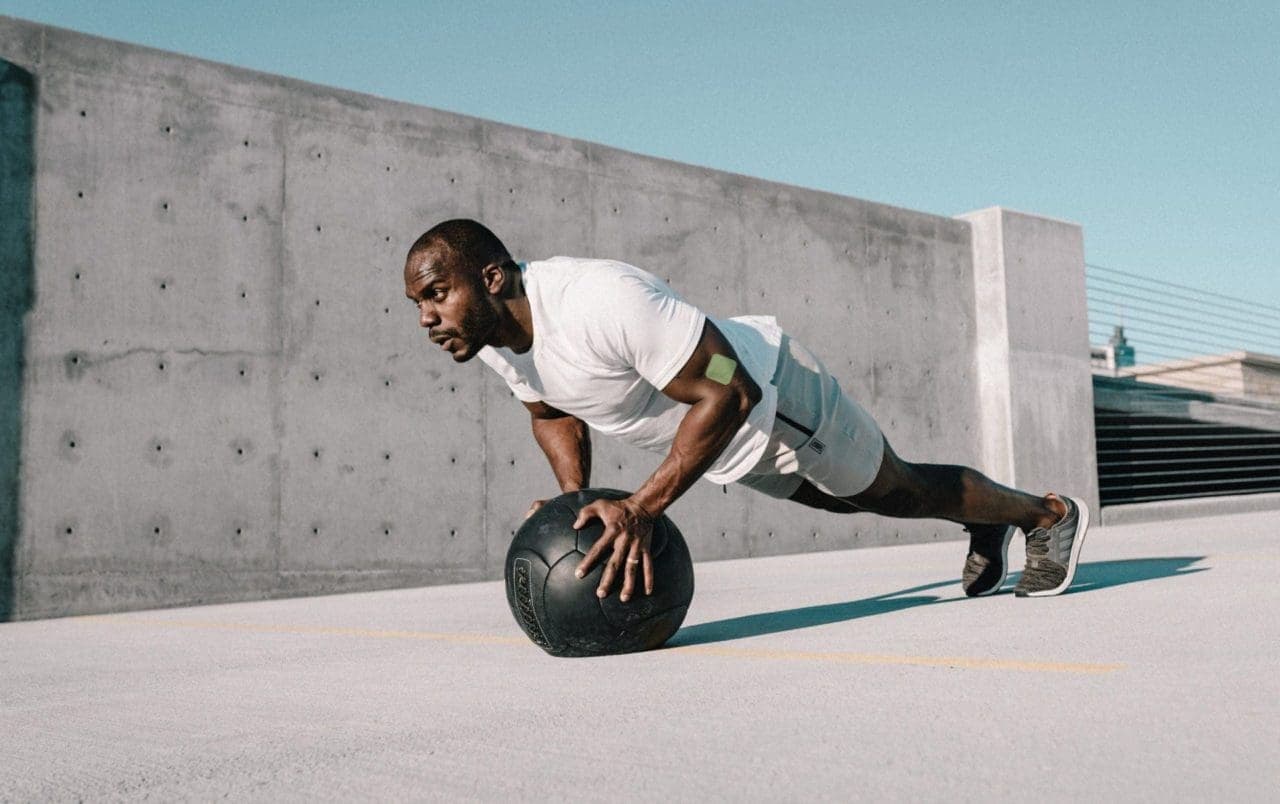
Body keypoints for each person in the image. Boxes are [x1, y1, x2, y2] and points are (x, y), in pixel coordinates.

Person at [403, 219, 1088, 604]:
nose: (429, 318)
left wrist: (641, 509)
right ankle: (978, 515)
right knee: (849, 502)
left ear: (492, 278)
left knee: (897, 490)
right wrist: (576, 503)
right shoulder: (493, 338)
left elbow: (728, 390)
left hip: (770, 394)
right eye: (419, 307)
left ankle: (1046, 516)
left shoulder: (598, 299)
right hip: (720, 436)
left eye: (437, 294)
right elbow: (550, 409)